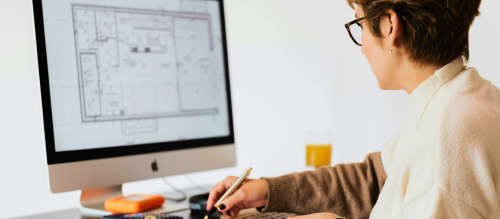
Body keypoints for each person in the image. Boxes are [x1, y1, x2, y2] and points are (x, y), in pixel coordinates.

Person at [207, 0, 500, 218]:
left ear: (389, 25)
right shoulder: (459, 100)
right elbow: (372, 179)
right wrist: (268, 190)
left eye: (358, 23)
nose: (361, 46)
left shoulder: (445, 143)